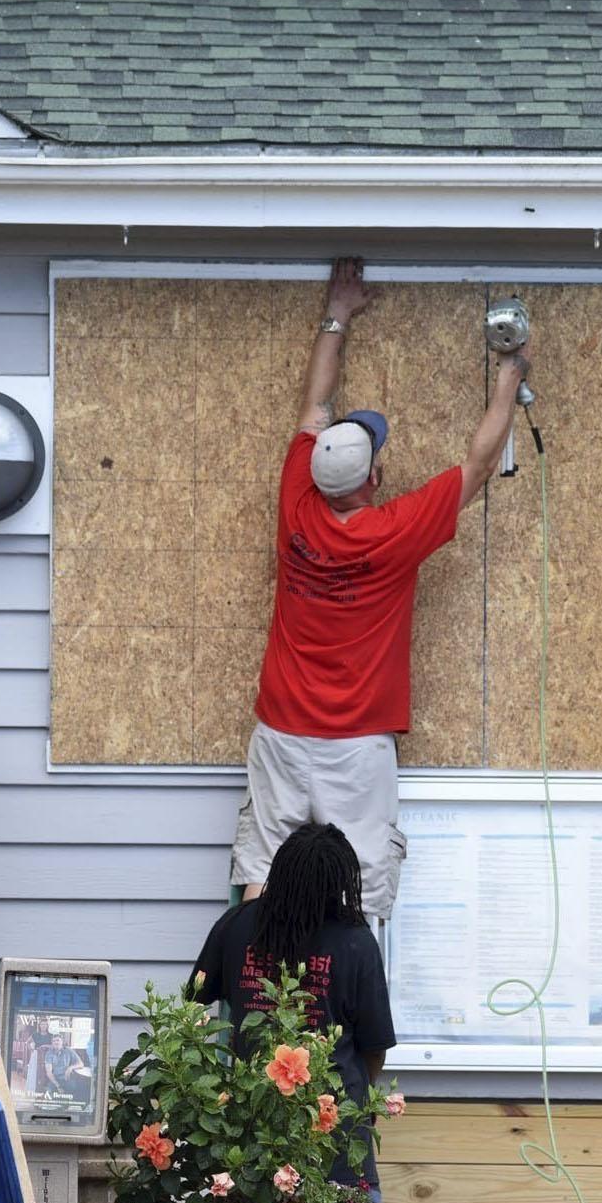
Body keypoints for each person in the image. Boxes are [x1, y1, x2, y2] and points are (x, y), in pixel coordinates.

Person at [233, 256, 533, 919]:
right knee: (359, 886)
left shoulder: (296, 503)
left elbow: (315, 402)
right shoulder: (396, 532)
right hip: (356, 746)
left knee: (261, 870)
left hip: (280, 731)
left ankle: (248, 1008)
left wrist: (338, 309)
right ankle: (350, 1012)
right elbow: (480, 462)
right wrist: (511, 372)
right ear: (374, 478)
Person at [193, 822, 396, 1203]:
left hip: (248, 1138)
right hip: (337, 1137)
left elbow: (192, 1008)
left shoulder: (237, 926)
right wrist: (360, 1099)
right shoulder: (355, 940)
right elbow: (374, 1047)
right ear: (340, 880)